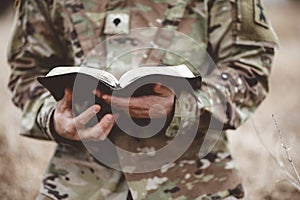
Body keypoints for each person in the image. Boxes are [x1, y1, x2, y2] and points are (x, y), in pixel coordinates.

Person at [7, 0, 278, 199]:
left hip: (195, 181)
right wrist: (53, 117)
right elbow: (27, 70)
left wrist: (183, 107)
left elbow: (250, 67)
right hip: (77, 182)